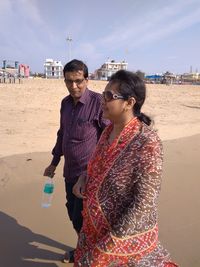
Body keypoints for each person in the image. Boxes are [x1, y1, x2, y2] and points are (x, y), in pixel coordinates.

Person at [73, 70, 178, 266]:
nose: (102, 100)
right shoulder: (107, 131)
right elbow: (98, 167)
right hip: (92, 232)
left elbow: (144, 205)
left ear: (129, 103)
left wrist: (107, 246)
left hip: (123, 243)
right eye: (103, 94)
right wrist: (84, 177)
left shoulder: (147, 142)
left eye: (109, 96)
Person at [43, 59, 109, 263]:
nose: (74, 86)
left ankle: (88, 253)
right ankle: (85, 247)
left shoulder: (98, 103)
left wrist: (96, 171)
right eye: (69, 81)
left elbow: (109, 137)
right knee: (72, 214)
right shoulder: (64, 103)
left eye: (78, 81)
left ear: (87, 80)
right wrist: (54, 162)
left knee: (84, 218)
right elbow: (62, 134)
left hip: (89, 176)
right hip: (69, 172)